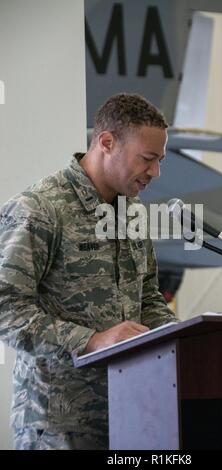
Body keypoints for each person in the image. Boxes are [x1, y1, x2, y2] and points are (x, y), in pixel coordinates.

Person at [0, 93, 177, 450]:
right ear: (107, 142)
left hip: (135, 414)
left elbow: (147, 296)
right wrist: (91, 341)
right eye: (148, 159)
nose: (155, 172)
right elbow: (6, 309)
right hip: (59, 425)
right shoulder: (39, 208)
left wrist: (179, 339)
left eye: (159, 160)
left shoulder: (132, 213)